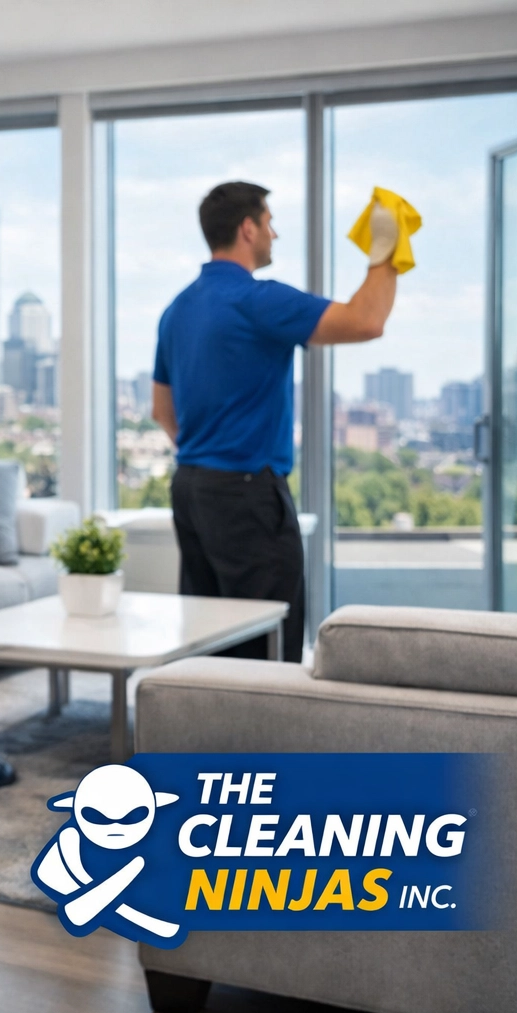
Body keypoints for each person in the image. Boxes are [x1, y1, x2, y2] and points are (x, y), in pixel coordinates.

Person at [152, 181, 400, 661]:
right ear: (247, 228)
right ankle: (268, 738)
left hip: (191, 490)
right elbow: (366, 320)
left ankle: (211, 735)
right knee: (268, 641)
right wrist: (386, 245)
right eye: (269, 222)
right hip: (246, 493)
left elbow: (163, 413)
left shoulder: (176, 310)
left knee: (210, 636)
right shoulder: (258, 301)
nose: (274, 234)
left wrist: (209, 456)